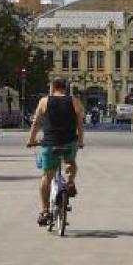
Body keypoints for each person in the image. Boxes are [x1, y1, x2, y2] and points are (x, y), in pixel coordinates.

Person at [26, 77, 84, 227]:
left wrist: (31, 140)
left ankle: (45, 211)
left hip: (50, 143)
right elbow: (79, 123)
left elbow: (36, 123)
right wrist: (80, 141)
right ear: (66, 88)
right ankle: (70, 182)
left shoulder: (44, 101)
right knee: (71, 163)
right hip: (69, 142)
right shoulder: (74, 101)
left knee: (47, 176)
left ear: (52, 87)